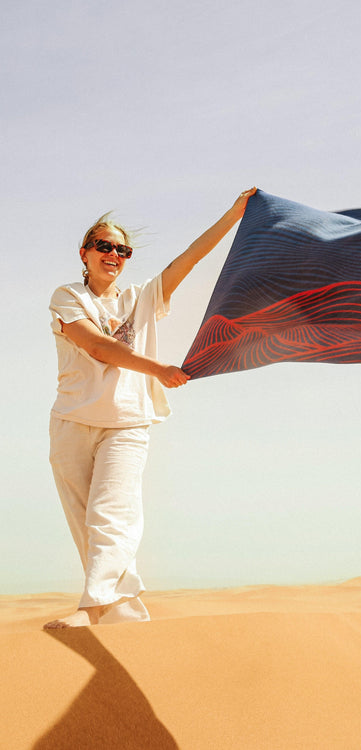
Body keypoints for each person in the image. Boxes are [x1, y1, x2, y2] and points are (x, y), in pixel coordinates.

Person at [44, 188, 256, 629]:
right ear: (84, 253)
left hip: (127, 422)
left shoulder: (141, 297)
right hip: (71, 422)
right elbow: (96, 346)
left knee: (112, 513)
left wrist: (234, 214)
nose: (113, 255)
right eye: (104, 246)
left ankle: (90, 608)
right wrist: (158, 368)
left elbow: (189, 259)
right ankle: (124, 612)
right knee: (87, 523)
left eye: (122, 249)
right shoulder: (67, 296)